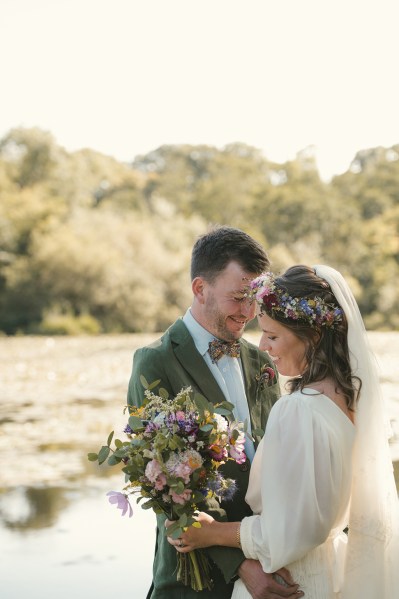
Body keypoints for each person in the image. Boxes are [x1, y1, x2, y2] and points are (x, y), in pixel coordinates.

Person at [168, 265, 399, 599]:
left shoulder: (299, 409)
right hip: (329, 571)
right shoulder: (348, 398)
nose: (262, 345)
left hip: (291, 581)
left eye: (273, 336)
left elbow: (284, 534)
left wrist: (212, 533)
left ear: (314, 336)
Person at [127, 226, 303, 599]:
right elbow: (163, 488)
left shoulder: (262, 358)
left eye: (255, 299)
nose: (249, 313)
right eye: (239, 298)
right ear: (200, 289)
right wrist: (240, 564)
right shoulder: (155, 362)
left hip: (274, 560)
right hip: (194, 579)